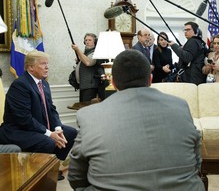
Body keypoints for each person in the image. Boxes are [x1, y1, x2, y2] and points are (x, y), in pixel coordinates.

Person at [68, 50, 205, 191]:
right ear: (150, 79)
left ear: (113, 82)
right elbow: (197, 162)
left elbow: (76, 177)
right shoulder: (180, 106)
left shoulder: (89, 115)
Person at [0, 50, 77, 180]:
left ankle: (52, 167)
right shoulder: (20, 85)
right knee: (47, 142)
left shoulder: (44, 83)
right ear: (31, 67)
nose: (47, 67)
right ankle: (39, 174)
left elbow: (51, 110)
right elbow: (24, 119)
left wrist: (57, 129)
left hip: (37, 127)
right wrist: (49, 133)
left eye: (47, 64)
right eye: (43, 64)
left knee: (70, 133)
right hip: (17, 130)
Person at [71, 33, 106, 102]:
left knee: (86, 107)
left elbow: (88, 62)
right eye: (86, 40)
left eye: (90, 40)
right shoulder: (85, 53)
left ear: (95, 42)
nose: (87, 42)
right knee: (82, 107)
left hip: (90, 86)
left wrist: (77, 50)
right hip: (83, 85)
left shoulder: (96, 52)